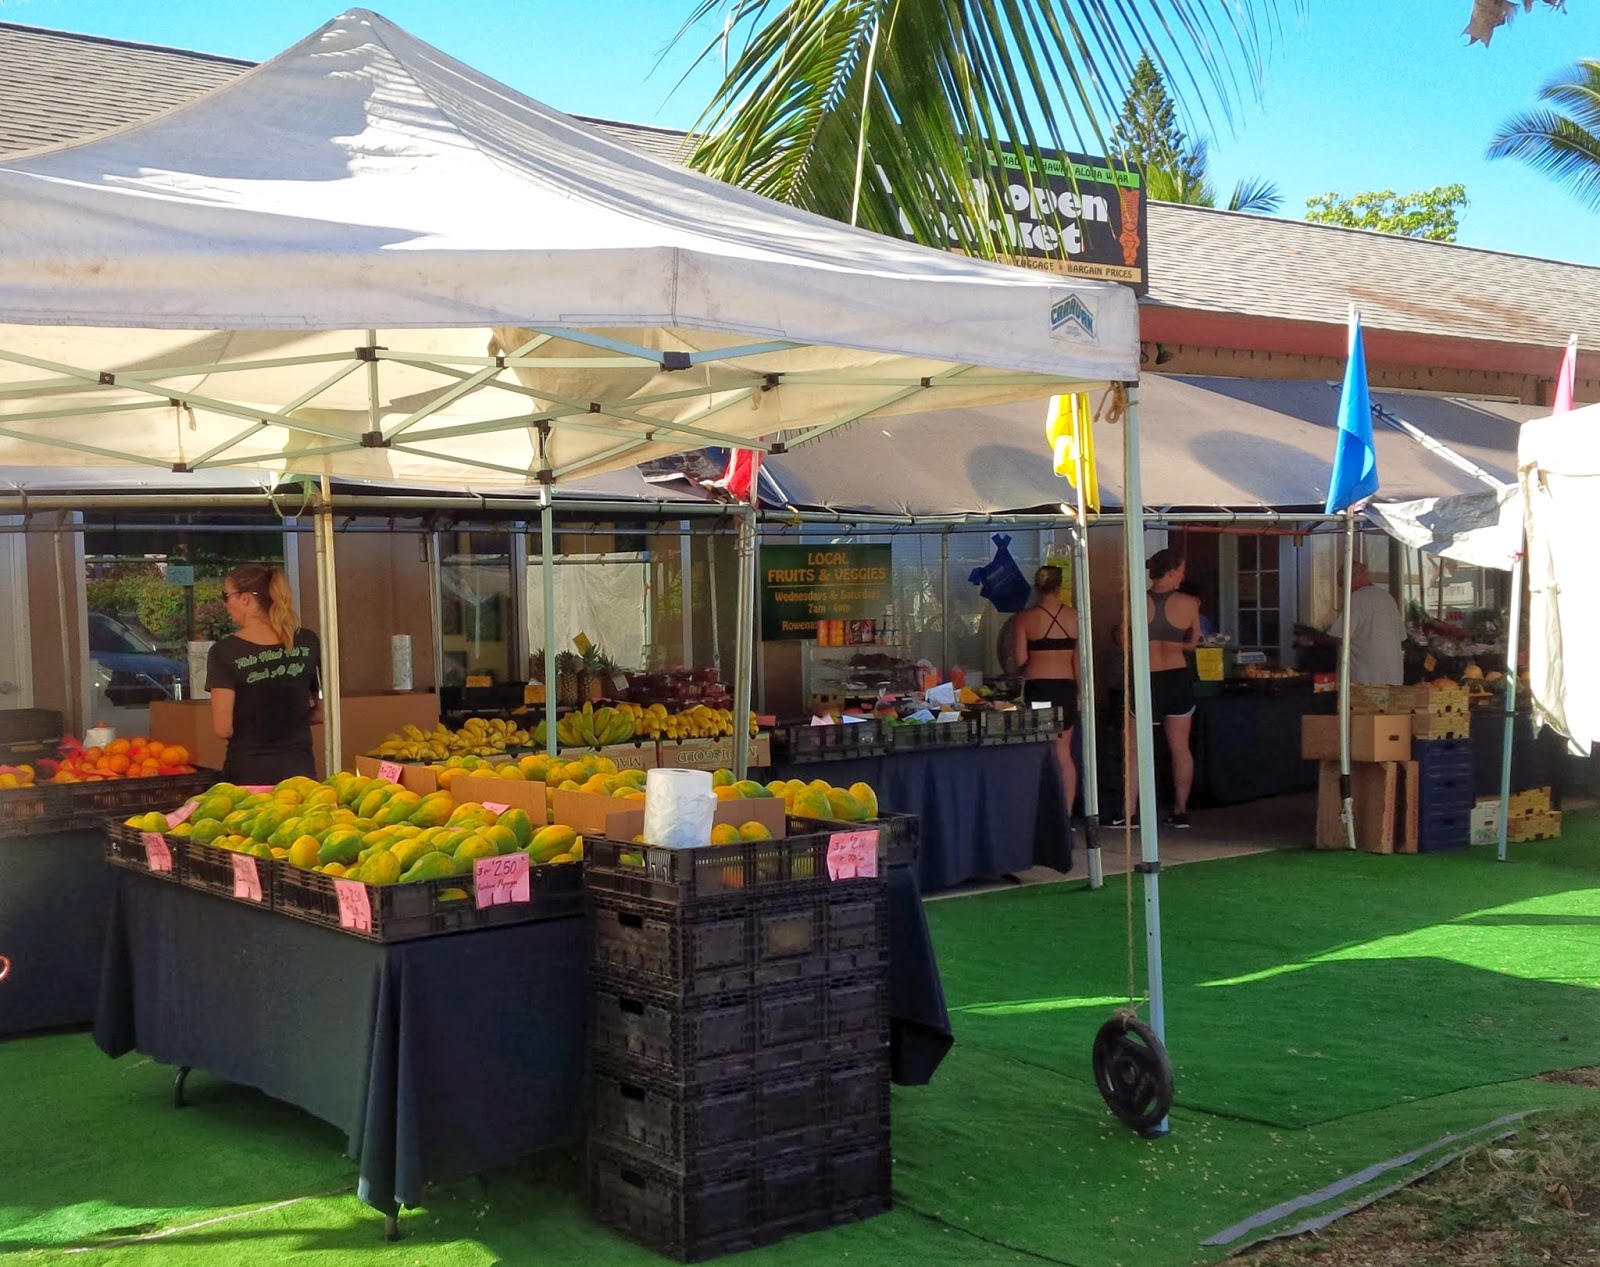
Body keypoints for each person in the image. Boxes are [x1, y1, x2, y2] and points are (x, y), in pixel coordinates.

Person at [207, 563, 324, 785]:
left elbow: (222, 728)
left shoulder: (224, 652)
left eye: (226, 596)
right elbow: (322, 713)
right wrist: (289, 720)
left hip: (248, 773)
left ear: (245, 599)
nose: (225, 604)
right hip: (299, 770)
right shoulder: (308, 641)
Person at [1115, 548, 1202, 828]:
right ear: (1172, 571)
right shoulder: (1191, 603)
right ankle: (1180, 810)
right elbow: (1194, 643)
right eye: (1181, 571)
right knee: (1180, 747)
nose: (1183, 576)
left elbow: (1123, 641)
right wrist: (1175, 645)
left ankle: (1129, 812)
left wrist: (1150, 644)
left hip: (1147, 676)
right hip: (1177, 676)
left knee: (1134, 748)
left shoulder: (1136, 601)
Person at [1012, 565, 1080, 823]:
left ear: (1037, 589)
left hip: (1038, 688)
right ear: (1060, 588)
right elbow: (1079, 661)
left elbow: (1020, 659)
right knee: (1064, 752)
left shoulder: (1025, 618)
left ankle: (1041, 813)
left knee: (1040, 749)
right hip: (1065, 687)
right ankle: (1067, 815)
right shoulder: (1075, 617)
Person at [1324, 561, 1405, 685]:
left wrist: (1314, 638)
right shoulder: (1387, 598)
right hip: (1392, 678)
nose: (1343, 590)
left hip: (1365, 681)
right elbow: (1401, 636)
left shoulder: (1356, 599)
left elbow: (1339, 637)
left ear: (1350, 578)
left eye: (1342, 585)